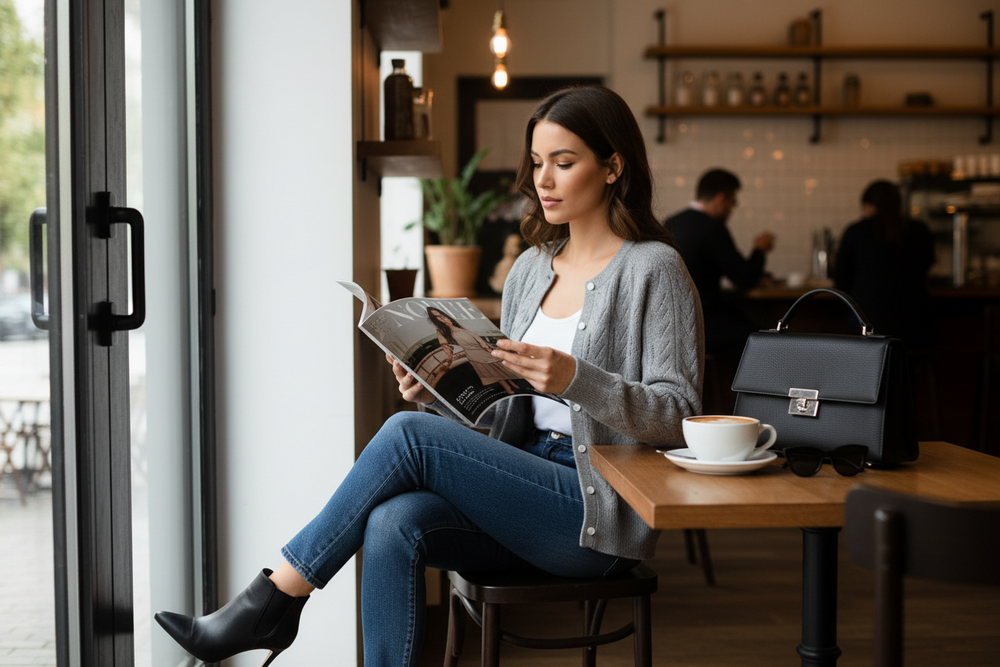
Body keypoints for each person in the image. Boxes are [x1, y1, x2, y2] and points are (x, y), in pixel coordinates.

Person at [154, 85, 703, 667]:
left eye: (564, 164)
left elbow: (681, 418)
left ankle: (273, 599)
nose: (543, 179)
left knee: (405, 436)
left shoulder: (653, 268)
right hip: (523, 481)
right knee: (395, 519)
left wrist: (574, 378)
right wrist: (437, 394)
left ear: (613, 166)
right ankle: (283, 612)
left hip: (600, 510)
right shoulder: (529, 269)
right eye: (538, 162)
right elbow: (504, 411)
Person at [663, 168, 775, 361]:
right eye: (733, 202)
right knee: (763, 340)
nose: (732, 209)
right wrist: (760, 250)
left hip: (670, 324)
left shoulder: (671, 223)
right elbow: (744, 279)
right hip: (703, 323)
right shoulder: (713, 228)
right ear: (721, 199)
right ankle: (736, 391)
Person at [834, 179, 935, 346]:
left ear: (869, 206)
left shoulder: (856, 232)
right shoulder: (920, 230)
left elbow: (841, 281)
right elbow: (927, 266)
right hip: (915, 325)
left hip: (866, 326)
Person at [426, 305, 520, 394]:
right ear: (436, 320)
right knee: (492, 370)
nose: (443, 318)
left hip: (480, 347)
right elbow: (445, 346)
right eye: (438, 317)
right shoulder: (442, 331)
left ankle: (512, 383)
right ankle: (507, 388)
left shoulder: (457, 325)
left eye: (442, 315)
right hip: (473, 353)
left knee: (498, 364)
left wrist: (485, 345)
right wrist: (449, 358)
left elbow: (472, 334)